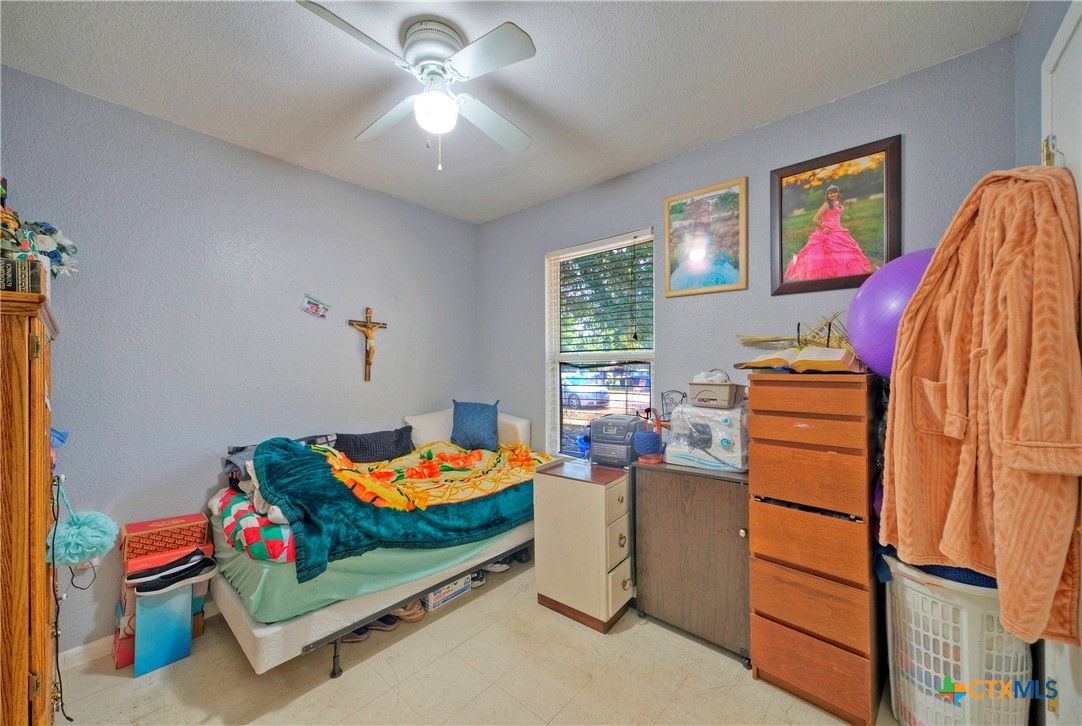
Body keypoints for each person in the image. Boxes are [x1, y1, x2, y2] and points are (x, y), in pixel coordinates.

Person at [784, 185, 874, 281]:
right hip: (827, 230)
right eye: (830, 193)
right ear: (827, 194)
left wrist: (839, 228)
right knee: (823, 253)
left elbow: (836, 217)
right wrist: (823, 229)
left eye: (835, 192)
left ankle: (843, 274)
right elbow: (815, 219)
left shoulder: (838, 203)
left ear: (838, 193)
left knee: (843, 252)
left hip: (837, 230)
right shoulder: (827, 204)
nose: (833, 195)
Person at [669, 200, 740, 290]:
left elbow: (710, 245)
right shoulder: (699, 229)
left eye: (707, 215)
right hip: (699, 260)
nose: (705, 217)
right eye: (703, 216)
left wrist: (712, 255)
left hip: (708, 258)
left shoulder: (709, 229)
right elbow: (697, 246)